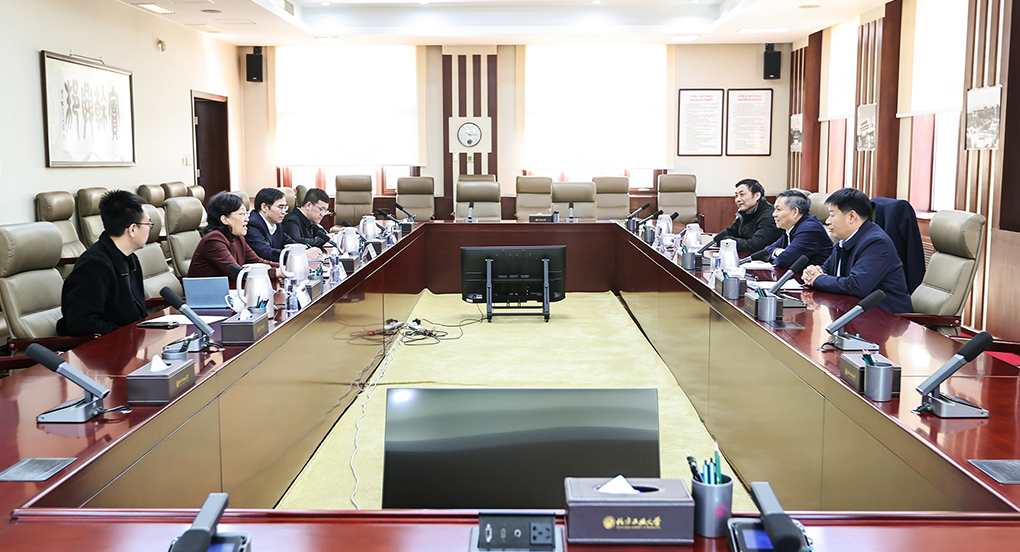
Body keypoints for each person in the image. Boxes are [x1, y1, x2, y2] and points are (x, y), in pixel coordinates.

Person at [801, 188, 913, 313]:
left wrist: (817, 279)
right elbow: (826, 270)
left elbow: (856, 286)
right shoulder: (843, 242)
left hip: (887, 317)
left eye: (832, 215)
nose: (828, 221)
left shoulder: (876, 243)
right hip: (854, 311)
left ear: (852, 217)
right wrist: (811, 273)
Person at [57, 190, 149, 336]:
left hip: (131, 341)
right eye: (148, 224)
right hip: (108, 346)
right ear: (132, 229)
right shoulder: (94, 265)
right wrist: (129, 334)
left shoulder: (131, 259)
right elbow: (82, 324)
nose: (149, 228)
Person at [188, 192, 280, 280]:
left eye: (247, 213)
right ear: (225, 219)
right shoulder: (214, 239)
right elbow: (238, 274)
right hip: (206, 290)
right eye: (242, 214)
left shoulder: (237, 237)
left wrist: (283, 267)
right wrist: (276, 272)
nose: (247, 219)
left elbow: (257, 261)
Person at [247, 188, 322, 262]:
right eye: (280, 207)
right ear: (264, 207)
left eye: (285, 207)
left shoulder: (276, 223)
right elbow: (266, 252)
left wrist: (304, 250)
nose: (284, 212)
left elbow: (289, 242)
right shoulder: (252, 225)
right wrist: (301, 254)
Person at [762, 189, 833, 269]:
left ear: (795, 212)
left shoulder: (809, 229)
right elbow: (766, 251)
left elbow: (784, 261)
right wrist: (777, 251)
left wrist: (778, 253)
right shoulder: (792, 227)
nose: (774, 214)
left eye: (778, 209)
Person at [713, 179, 783, 252]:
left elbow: (754, 245)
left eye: (742, 194)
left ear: (757, 196)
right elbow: (731, 231)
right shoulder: (745, 212)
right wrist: (716, 239)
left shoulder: (769, 216)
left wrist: (726, 241)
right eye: (736, 195)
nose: (737, 199)